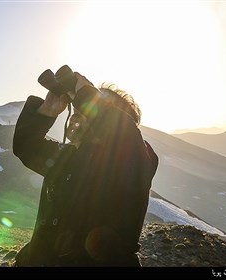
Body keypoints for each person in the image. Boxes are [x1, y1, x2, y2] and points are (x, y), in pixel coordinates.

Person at [13, 68, 158, 266]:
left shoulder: (136, 160)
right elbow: (26, 147)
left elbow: (126, 140)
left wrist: (86, 93)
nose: (80, 110)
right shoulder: (69, 158)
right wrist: (46, 112)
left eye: (94, 107)